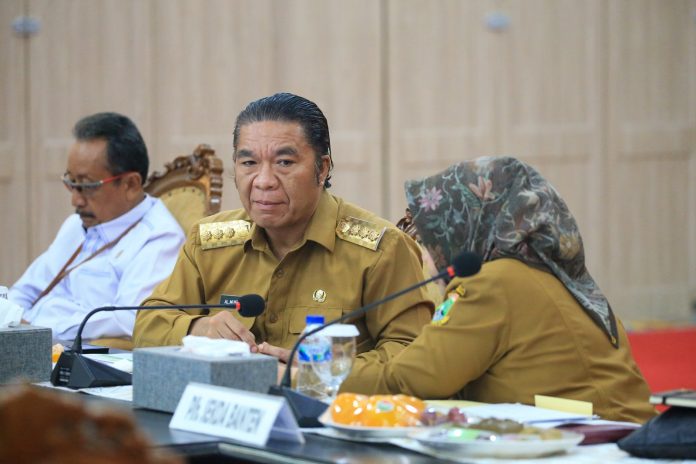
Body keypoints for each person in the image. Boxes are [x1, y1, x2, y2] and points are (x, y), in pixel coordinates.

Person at [133, 93, 434, 391]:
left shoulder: (381, 250)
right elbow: (148, 325)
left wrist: (316, 373)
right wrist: (197, 329)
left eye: (284, 162)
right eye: (249, 162)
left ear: (322, 168)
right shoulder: (209, 241)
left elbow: (412, 357)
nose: (263, 180)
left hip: (325, 414)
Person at [354, 156, 656, 424]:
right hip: (616, 433)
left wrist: (329, 376)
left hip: (596, 445)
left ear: (461, 227)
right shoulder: (548, 274)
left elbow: (412, 380)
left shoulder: (493, 283)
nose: (425, 250)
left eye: (430, 235)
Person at [3, 112, 185, 343]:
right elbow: (25, 291)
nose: (75, 200)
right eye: (71, 183)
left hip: (77, 355)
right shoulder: (76, 225)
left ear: (130, 184)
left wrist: (38, 330)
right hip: (31, 345)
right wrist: (11, 321)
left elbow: (129, 318)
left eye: (87, 185)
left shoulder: (160, 238)